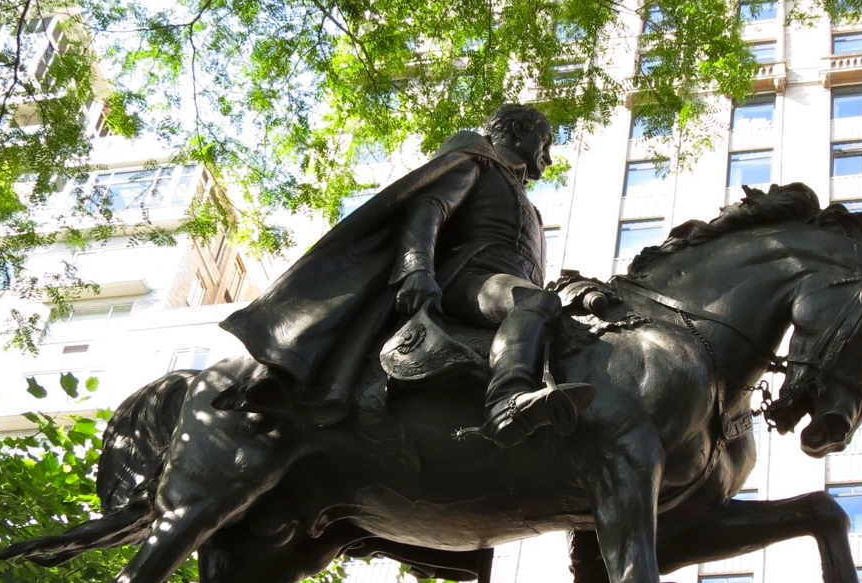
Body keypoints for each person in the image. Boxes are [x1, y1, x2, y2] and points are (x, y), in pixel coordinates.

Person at [215, 104, 594, 446]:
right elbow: (430, 207)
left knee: (545, 308)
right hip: (468, 277)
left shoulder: (528, 204)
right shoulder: (478, 161)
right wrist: (417, 267)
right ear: (514, 130)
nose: (548, 154)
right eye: (543, 141)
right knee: (532, 300)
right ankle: (506, 402)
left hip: (504, 284)